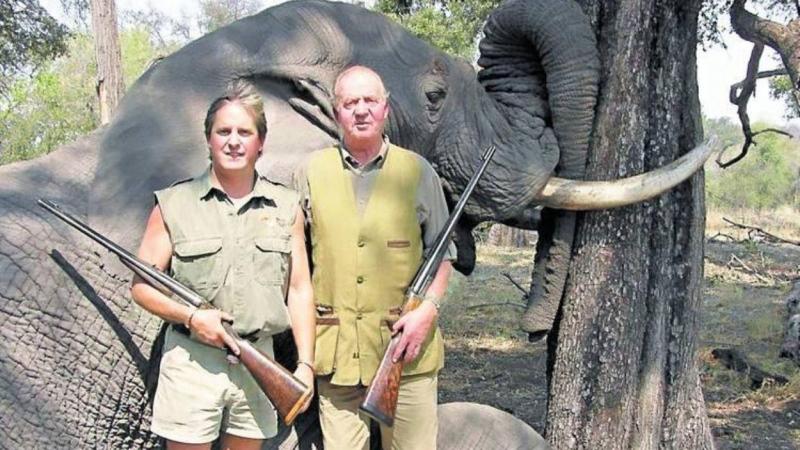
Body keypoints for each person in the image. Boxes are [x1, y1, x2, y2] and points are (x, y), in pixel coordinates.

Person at [131, 81, 315, 450]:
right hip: (192, 363)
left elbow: (299, 289)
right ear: (209, 140)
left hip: (260, 359)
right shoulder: (173, 203)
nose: (234, 141)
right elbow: (141, 286)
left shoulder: (286, 206)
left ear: (260, 143)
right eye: (224, 131)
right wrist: (190, 318)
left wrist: (306, 364)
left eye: (244, 132)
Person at [295, 65, 455, 450]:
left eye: (370, 101)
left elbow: (443, 255)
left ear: (386, 109)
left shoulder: (418, 172)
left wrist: (428, 311)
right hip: (337, 358)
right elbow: (297, 269)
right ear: (337, 113)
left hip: (406, 354)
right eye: (351, 102)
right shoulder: (310, 172)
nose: (361, 110)